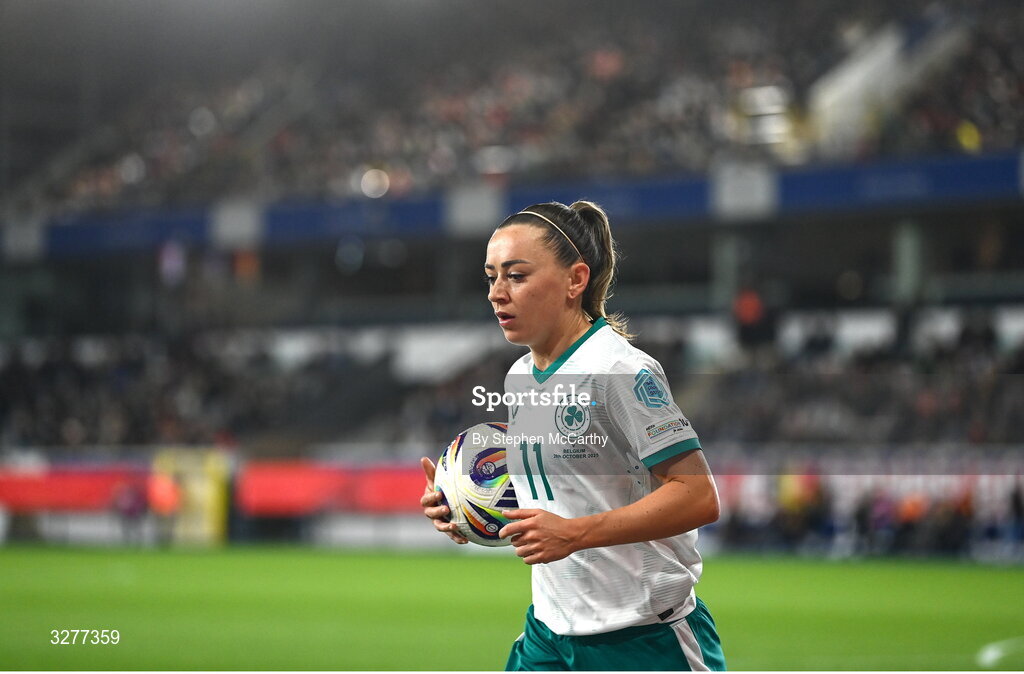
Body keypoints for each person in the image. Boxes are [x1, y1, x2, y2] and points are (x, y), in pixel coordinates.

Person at [421, 201, 726, 671]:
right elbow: (557, 493)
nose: (496, 294)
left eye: (516, 276)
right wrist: (463, 507)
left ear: (575, 280)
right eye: (491, 276)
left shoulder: (620, 370)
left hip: (641, 639)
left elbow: (698, 497)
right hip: (548, 634)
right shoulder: (520, 375)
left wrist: (575, 535)